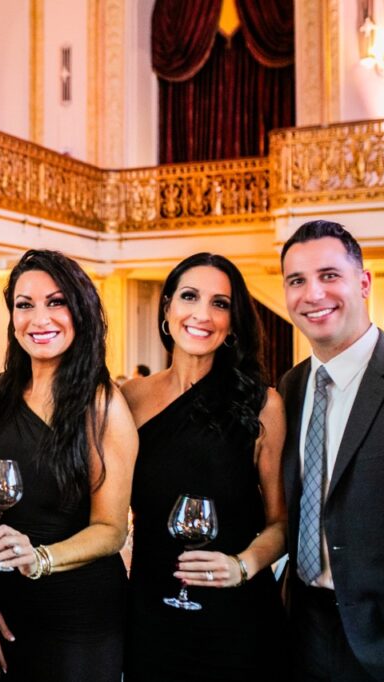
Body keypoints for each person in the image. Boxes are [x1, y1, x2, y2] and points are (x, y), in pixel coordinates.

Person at [121, 253, 288, 681]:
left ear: (234, 322)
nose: (202, 314)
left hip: (235, 619)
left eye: (220, 303)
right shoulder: (130, 398)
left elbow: (281, 524)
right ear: (167, 309)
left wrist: (243, 566)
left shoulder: (263, 405)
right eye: (190, 296)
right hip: (150, 610)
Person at [278, 221, 384, 681]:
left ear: (363, 283)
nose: (312, 294)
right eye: (296, 281)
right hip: (302, 631)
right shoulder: (290, 386)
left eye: (329, 275)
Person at [0, 250, 138, 682]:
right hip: (5, 611)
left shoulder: (102, 404)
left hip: (78, 616)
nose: (38, 318)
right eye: (24, 305)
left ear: (80, 311)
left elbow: (112, 530)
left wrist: (40, 559)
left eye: (56, 302)